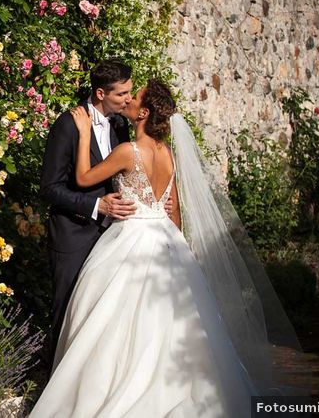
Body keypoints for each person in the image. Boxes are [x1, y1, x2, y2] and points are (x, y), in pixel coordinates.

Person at [30, 79, 264, 418]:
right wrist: (176, 249)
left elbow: (82, 178)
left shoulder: (129, 152)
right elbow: (174, 209)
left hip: (130, 236)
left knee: (113, 319)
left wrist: (83, 133)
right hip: (165, 240)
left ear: (144, 112)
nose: (129, 99)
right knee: (168, 323)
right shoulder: (167, 154)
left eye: (135, 96)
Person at [39, 59, 138, 366]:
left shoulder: (120, 125)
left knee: (101, 315)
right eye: (122, 94)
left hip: (113, 236)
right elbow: (50, 187)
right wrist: (97, 205)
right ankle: (53, 390)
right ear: (99, 93)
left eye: (130, 93)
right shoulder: (68, 124)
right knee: (67, 310)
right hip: (73, 233)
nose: (129, 100)